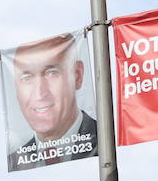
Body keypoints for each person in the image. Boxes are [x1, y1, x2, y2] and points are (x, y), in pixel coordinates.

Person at [7, 34, 96, 172]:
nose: (40, 93)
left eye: (52, 73)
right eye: (26, 77)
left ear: (77, 75)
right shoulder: (16, 160)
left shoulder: (106, 143)